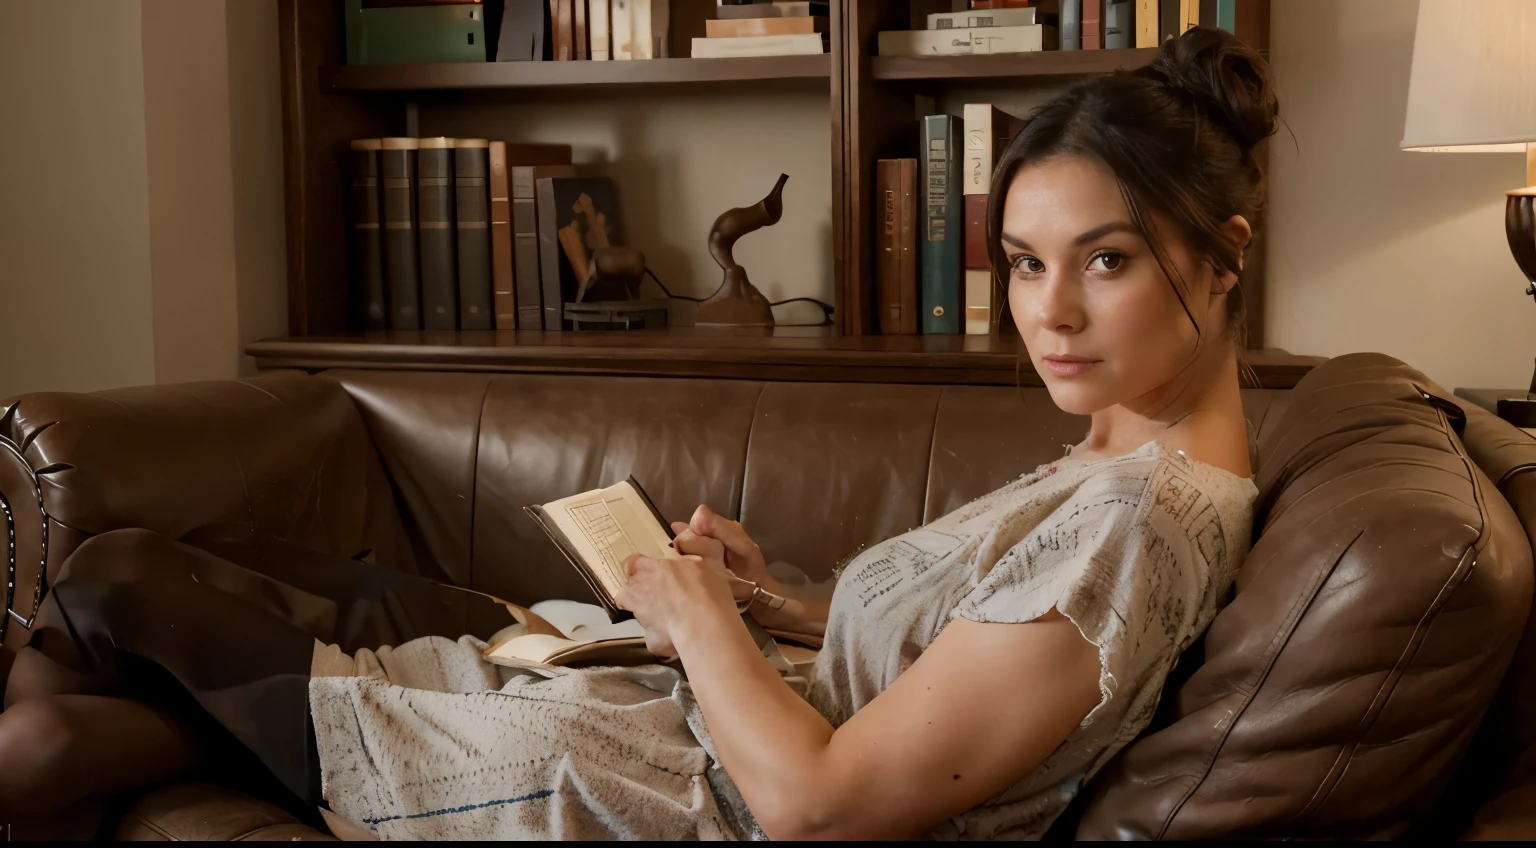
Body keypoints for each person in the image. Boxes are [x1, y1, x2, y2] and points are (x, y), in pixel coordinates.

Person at [0, 25, 1274, 840]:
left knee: (113, 579)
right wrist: (772, 598)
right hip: (677, 713)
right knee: (155, 614)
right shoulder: (1123, 453)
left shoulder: (1137, 523)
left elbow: (816, 806)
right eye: (1024, 261)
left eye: (1104, 260)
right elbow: (955, 669)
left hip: (655, 785)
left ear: (1224, 261)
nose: (1046, 310)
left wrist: (700, 624)